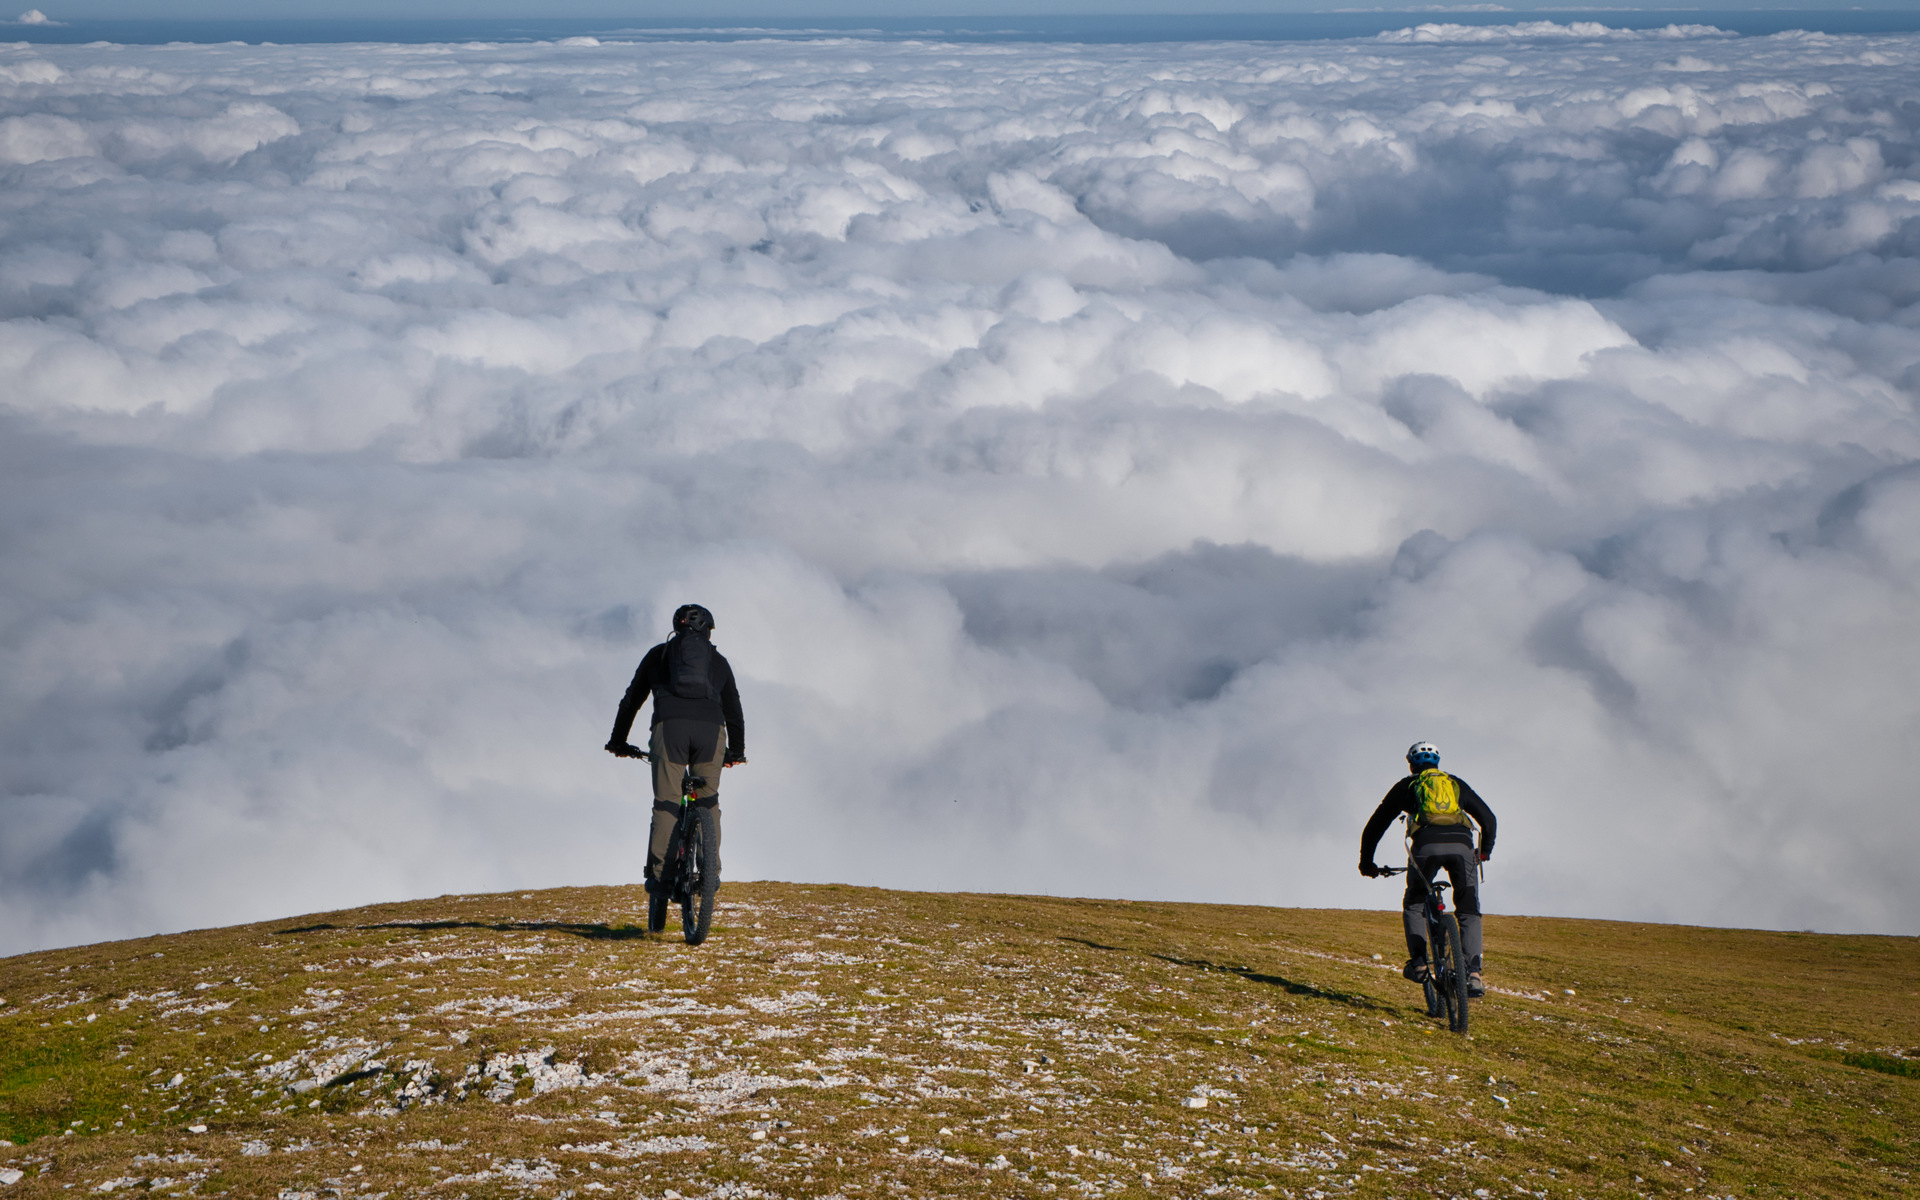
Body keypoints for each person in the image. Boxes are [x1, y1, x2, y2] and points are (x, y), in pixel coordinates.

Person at [605, 604, 747, 905]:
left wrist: (618, 741)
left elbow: (631, 701)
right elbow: (734, 708)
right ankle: (710, 875)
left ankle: (661, 879)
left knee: (667, 805)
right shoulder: (718, 661)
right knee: (707, 800)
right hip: (710, 732)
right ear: (707, 629)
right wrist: (737, 750)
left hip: (669, 730)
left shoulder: (659, 655)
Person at [1358, 741, 1496, 998]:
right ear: (1437, 763)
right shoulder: (1455, 784)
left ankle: (1420, 964)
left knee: (1414, 903)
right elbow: (1488, 819)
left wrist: (1367, 863)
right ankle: (1474, 974)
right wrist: (1484, 851)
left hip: (1426, 847)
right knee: (1468, 910)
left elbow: (1375, 826)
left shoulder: (1406, 786)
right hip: (1462, 847)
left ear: (1411, 764)